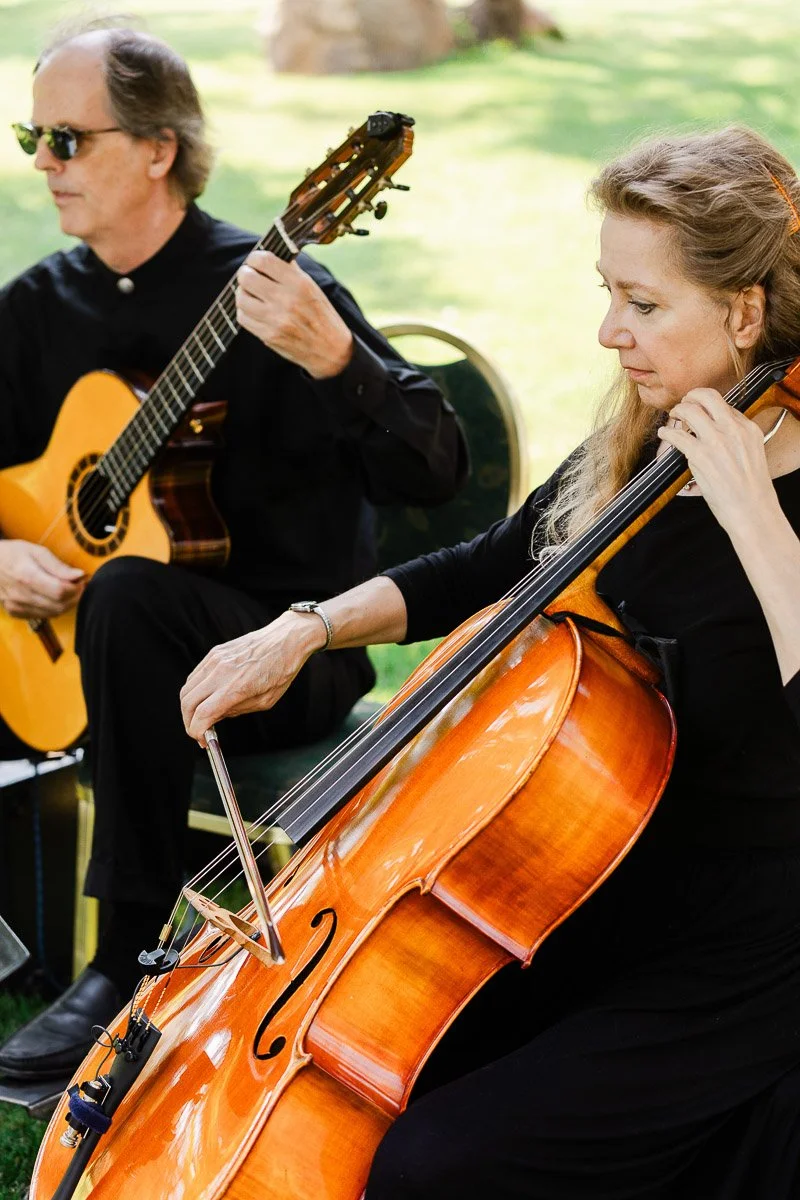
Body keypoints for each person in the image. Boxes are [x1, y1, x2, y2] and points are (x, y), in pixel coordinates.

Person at [181, 124, 800, 1198]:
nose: (609, 332)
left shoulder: (755, 484)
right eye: (605, 291)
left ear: (744, 312)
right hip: (582, 891)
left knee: (436, 1164)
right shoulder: (645, 439)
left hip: (742, 954)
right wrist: (304, 629)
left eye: (642, 304)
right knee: (376, 1084)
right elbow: (487, 567)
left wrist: (753, 515)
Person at [0, 20, 467, 1082]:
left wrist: (338, 358)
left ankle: (121, 967)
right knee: (118, 598)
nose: (41, 163)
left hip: (289, 651)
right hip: (95, 650)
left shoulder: (264, 292)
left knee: (126, 593)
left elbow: (435, 471)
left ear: (157, 148)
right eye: (35, 136)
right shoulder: (37, 309)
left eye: (67, 140)